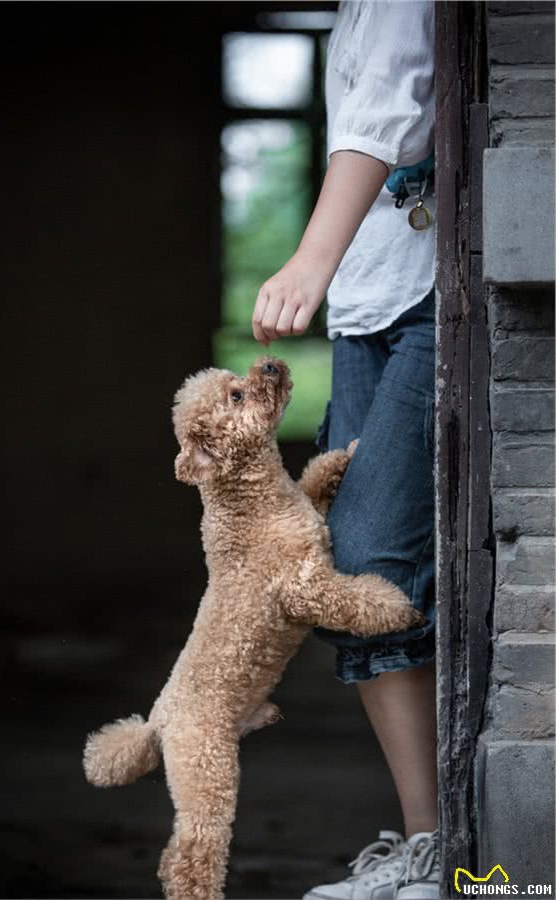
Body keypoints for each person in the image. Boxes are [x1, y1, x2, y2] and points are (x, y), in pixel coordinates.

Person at [251, 2, 439, 898]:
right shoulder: (347, 14)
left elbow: (393, 108)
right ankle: (428, 850)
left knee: (371, 565)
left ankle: (453, 856)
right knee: (346, 568)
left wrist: (307, 261)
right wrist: (336, 281)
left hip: (433, 297)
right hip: (369, 307)